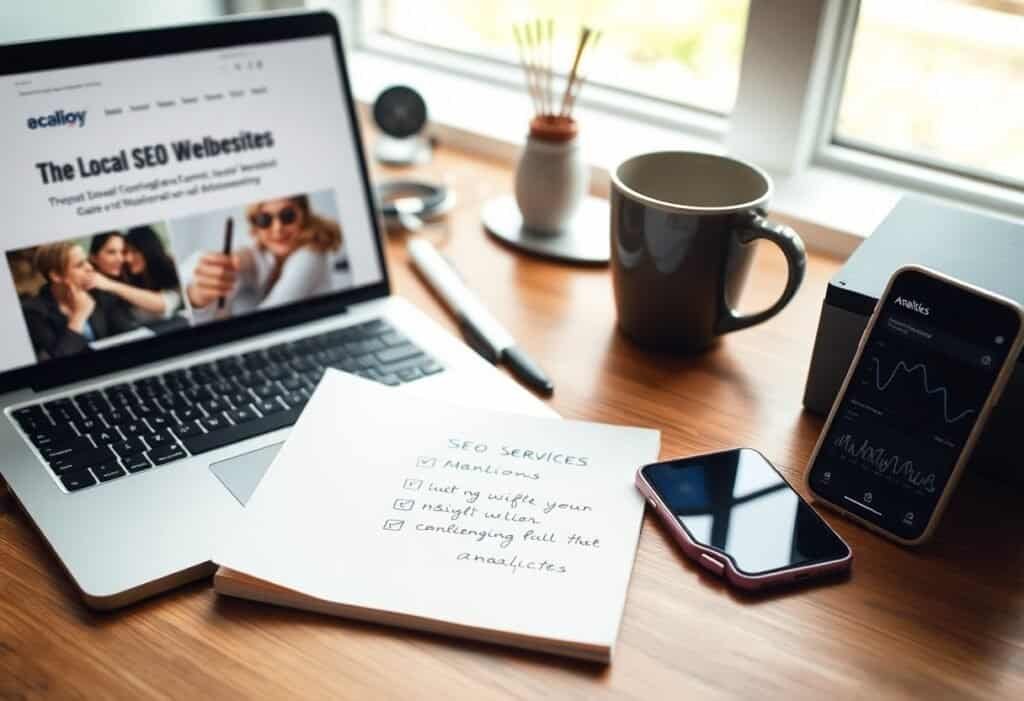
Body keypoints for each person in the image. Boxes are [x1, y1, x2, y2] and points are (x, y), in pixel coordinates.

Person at [184, 195, 343, 323]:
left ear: (304, 215)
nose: (277, 228)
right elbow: (247, 258)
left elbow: (268, 319)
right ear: (256, 226)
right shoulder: (266, 254)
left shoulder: (311, 256)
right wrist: (198, 298)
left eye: (287, 216)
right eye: (265, 220)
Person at [20, 241, 137, 360]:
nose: (90, 268)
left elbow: (130, 334)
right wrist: (79, 315)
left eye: (87, 261)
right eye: (80, 265)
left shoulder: (99, 294)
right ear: (56, 275)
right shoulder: (33, 311)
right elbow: (57, 363)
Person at [88, 230, 181, 321]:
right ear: (94, 257)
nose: (125, 258)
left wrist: (109, 284)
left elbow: (164, 304)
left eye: (134, 251)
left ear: (149, 250)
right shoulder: (128, 277)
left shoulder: (172, 273)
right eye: (112, 252)